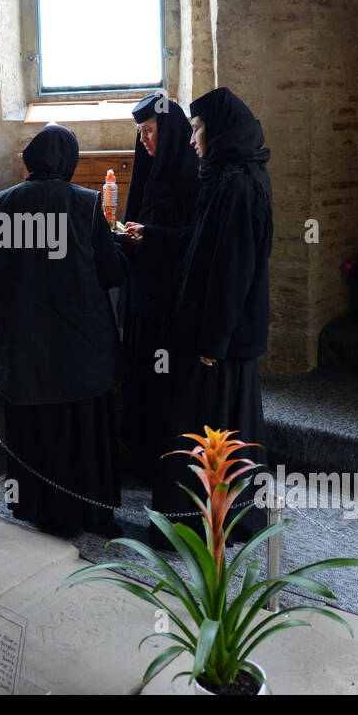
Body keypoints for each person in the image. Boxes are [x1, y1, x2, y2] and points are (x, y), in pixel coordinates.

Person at [130, 87, 273, 545]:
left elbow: (233, 270)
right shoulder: (229, 176)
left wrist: (212, 342)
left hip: (219, 343)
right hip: (220, 338)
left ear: (219, 129)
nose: (193, 140)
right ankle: (218, 520)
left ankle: (198, 524)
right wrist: (152, 235)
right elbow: (198, 243)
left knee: (209, 433)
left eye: (197, 129)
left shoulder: (236, 185)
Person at [0, 124, 128, 535]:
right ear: (70, 161)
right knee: (84, 429)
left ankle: (36, 505)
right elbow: (111, 271)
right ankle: (89, 510)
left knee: (34, 428)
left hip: (24, 345)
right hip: (77, 346)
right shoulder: (84, 203)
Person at [115, 93, 200, 482]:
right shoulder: (147, 172)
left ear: (169, 131)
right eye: (139, 133)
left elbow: (197, 238)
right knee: (139, 375)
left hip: (171, 298)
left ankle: (165, 462)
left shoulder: (194, 175)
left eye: (149, 131)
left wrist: (153, 235)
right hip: (141, 296)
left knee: (164, 379)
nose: (145, 141)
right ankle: (139, 454)